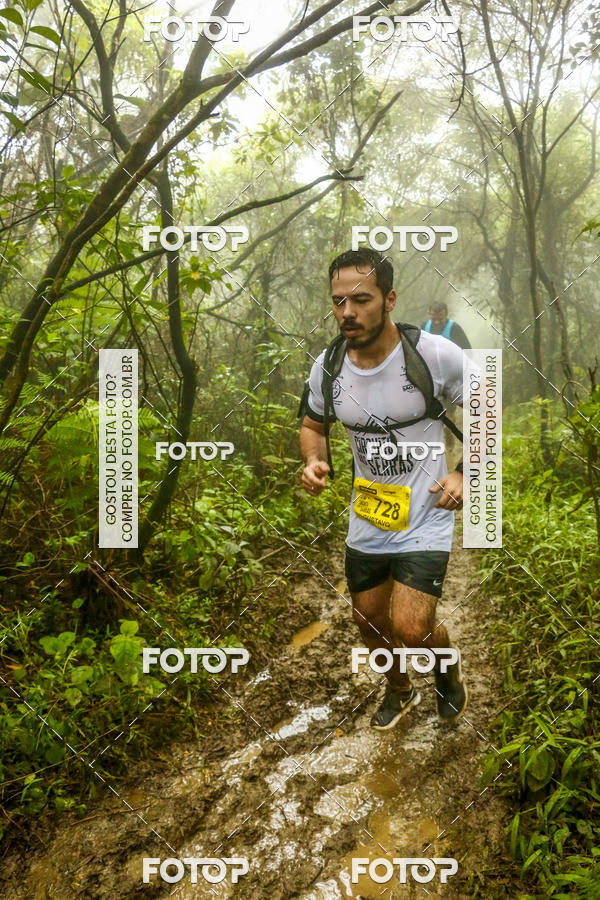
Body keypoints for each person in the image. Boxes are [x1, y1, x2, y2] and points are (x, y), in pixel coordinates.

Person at [299, 248, 468, 730]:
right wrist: (314, 459)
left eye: (361, 299)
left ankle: (445, 665)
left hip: (426, 511)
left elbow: (487, 411)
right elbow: (312, 424)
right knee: (368, 622)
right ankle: (399, 690)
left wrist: (464, 473)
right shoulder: (328, 366)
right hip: (369, 514)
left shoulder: (432, 355)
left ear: (389, 299)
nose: (347, 312)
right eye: (338, 302)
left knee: (410, 629)